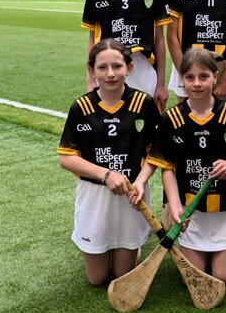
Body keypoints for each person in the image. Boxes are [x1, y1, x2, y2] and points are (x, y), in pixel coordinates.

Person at [129, 49, 226, 284]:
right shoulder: (172, 118)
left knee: (222, 276)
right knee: (192, 278)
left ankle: (222, 249)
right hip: (189, 210)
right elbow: (167, 167)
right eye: (190, 77)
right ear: (181, 80)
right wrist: (175, 206)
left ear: (215, 77)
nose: (197, 83)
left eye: (204, 76)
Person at [57, 40, 161, 286]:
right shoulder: (81, 107)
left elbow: (156, 152)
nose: (111, 73)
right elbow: (66, 158)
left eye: (117, 66)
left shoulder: (144, 103)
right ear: (92, 71)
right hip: (95, 196)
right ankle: (114, 247)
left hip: (131, 195)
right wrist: (106, 174)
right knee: (97, 278)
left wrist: (141, 181)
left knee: (122, 273)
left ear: (130, 68)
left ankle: (133, 247)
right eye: (102, 67)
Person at [81, 0, 171, 111]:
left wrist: (161, 83)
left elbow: (159, 40)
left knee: (145, 122)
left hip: (143, 67)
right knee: (110, 121)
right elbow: (92, 40)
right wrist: (90, 80)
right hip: (108, 68)